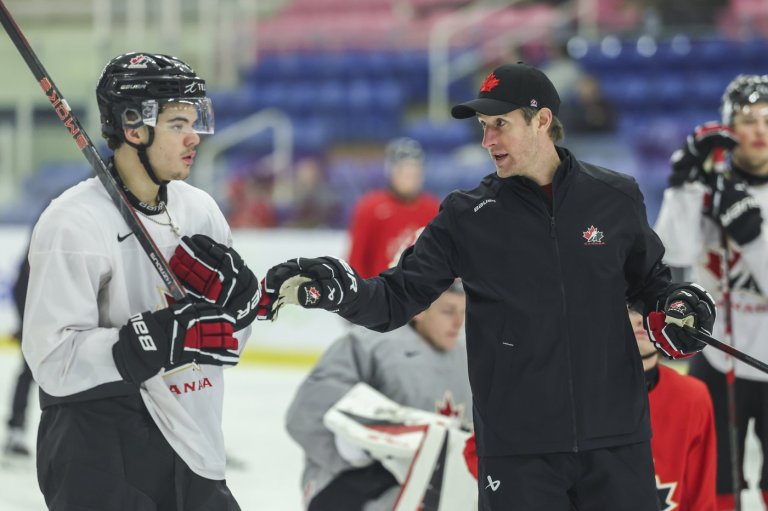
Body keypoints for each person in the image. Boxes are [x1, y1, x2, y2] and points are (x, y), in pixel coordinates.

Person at [259, 62, 717, 510]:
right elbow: (397, 298)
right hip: (517, 452)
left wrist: (679, 306)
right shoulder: (466, 216)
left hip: (616, 439)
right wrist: (346, 293)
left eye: (500, 124)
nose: (487, 140)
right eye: (483, 126)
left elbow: (651, 284)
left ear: (542, 121)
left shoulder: (615, 197)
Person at [22, 52, 261, 510]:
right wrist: (151, 340)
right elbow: (51, 360)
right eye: (177, 124)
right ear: (134, 128)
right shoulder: (72, 222)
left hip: (193, 442)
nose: (194, 136)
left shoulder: (200, 211)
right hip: (99, 451)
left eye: (196, 120)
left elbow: (224, 343)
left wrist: (240, 308)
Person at [654, 74, 768, 510]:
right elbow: (672, 253)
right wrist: (682, 183)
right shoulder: (710, 188)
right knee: (714, 481)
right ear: (729, 127)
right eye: (748, 120)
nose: (759, 130)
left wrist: (751, 236)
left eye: (767, 120)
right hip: (718, 356)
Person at [285, 282, 471, 510]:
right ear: (420, 310)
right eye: (448, 311)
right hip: (354, 484)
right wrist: (359, 452)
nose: (458, 322)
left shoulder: (469, 355)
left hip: (434, 485)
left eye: (463, 312)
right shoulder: (367, 344)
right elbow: (307, 413)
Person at [629, 302, 717, 510]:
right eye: (631, 308)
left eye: (652, 308)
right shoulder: (585, 394)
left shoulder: (692, 396)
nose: (642, 318)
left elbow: (702, 497)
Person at [347, 137, 440, 278]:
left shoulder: (433, 209)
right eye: (404, 170)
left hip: (422, 290)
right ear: (391, 171)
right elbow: (356, 261)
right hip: (380, 288)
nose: (410, 177)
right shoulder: (370, 208)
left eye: (415, 170)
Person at [3, 253, 33, 458]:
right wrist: (27, 324)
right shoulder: (42, 241)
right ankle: (16, 430)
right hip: (39, 327)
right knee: (28, 373)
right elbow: (20, 286)